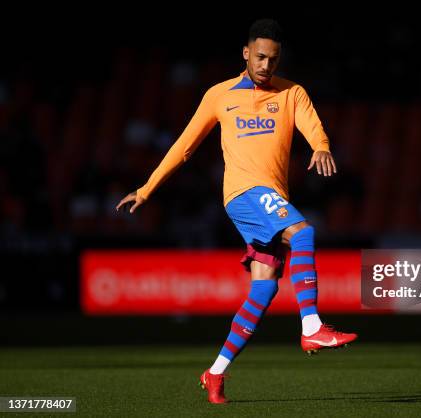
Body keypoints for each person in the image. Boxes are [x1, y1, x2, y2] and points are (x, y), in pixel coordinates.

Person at [116, 18, 357, 404]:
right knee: (304, 232)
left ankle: (215, 373)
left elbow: (313, 127)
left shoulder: (292, 92)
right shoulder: (220, 95)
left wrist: (322, 146)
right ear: (246, 53)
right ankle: (311, 326)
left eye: (273, 60)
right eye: (260, 56)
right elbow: (185, 146)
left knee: (264, 287)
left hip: (269, 195)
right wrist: (147, 189)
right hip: (244, 192)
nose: (266, 65)